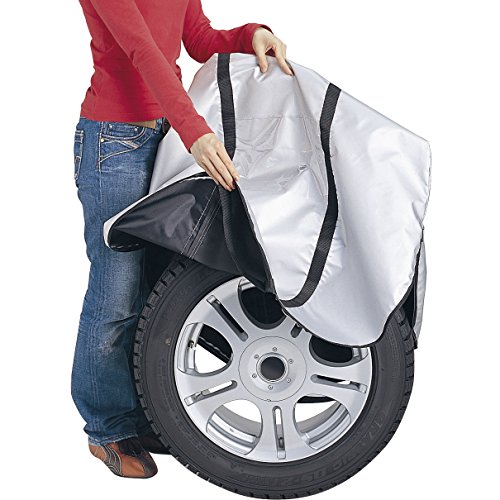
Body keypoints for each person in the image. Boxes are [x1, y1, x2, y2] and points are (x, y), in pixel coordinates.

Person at [71, 0, 291, 479]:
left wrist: (250, 34)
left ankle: (142, 415)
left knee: (157, 289)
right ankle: (106, 428)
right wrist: (196, 132)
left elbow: (199, 39)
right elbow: (142, 50)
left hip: (165, 135)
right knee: (116, 293)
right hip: (115, 143)